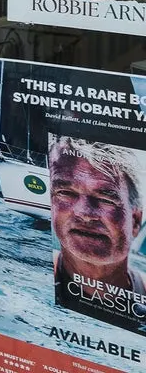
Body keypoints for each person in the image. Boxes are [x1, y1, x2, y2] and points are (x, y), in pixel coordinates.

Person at [50, 135, 146, 330]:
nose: (84, 214)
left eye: (105, 199)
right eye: (66, 193)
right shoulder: (35, 271)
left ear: (135, 221)